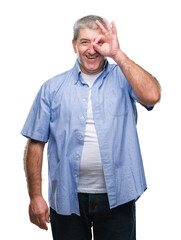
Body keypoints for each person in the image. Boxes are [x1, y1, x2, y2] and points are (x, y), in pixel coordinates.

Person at [22, 15, 161, 240]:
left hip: (118, 198)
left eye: (99, 42)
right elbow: (35, 143)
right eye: (85, 42)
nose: (92, 49)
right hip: (67, 199)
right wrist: (35, 196)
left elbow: (153, 95)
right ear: (74, 45)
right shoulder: (52, 88)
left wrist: (118, 54)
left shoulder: (124, 77)